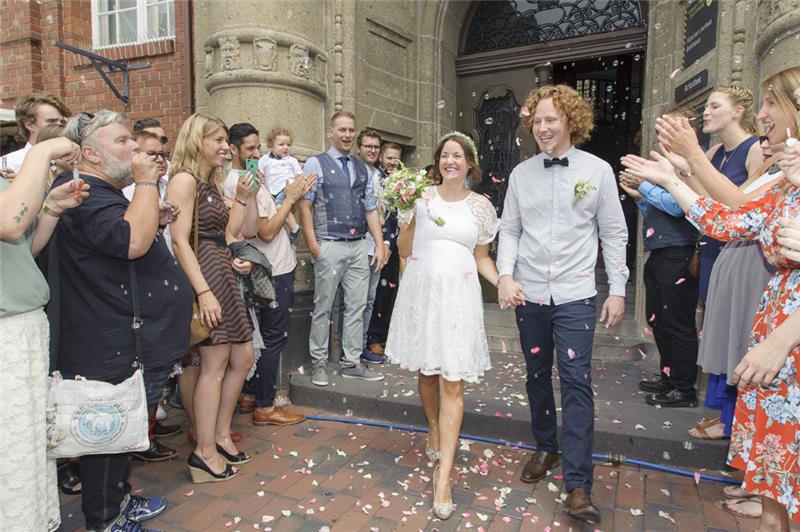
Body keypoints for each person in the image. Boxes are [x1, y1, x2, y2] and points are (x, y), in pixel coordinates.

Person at [621, 105, 800, 532]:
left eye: (771, 102)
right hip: (771, 341)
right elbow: (728, 220)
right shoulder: (785, 189)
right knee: (776, 493)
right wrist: (669, 181)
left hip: (786, 343)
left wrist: (780, 341)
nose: (762, 114)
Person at [51, 110, 190, 532]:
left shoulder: (105, 192)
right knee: (109, 434)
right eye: (124, 141)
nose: (137, 148)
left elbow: (124, 234)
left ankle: (119, 499)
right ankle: (106, 519)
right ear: (89, 154)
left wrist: (152, 213)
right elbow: (128, 242)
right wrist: (147, 184)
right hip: (113, 339)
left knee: (124, 428)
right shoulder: (82, 192)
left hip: (132, 336)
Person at [497, 85, 629, 525]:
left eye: (551, 119)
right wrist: (505, 275)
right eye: (537, 121)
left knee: (575, 382)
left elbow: (613, 232)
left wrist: (617, 288)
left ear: (571, 121)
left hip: (575, 294)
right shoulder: (521, 175)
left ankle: (578, 484)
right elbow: (510, 230)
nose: (543, 128)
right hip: (529, 293)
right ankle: (545, 447)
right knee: (536, 374)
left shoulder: (598, 171)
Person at [385, 131, 499, 520]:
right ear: (437, 163)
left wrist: (502, 282)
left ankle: (444, 476)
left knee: (453, 381)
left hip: (461, 298)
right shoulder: (419, 198)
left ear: (469, 163)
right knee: (428, 373)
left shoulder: (481, 207)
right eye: (445, 155)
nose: (451, 161)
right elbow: (402, 250)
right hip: (423, 293)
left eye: (458, 155)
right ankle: (432, 426)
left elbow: (481, 256)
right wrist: (412, 213)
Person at [167, 113, 260, 484]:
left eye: (226, 140)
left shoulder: (209, 182)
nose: (225, 146)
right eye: (218, 140)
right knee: (214, 363)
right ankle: (203, 452)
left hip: (220, 266)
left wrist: (243, 197)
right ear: (196, 141)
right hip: (203, 273)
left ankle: (220, 434)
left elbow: (234, 230)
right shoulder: (184, 180)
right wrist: (203, 291)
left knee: (242, 355)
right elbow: (178, 240)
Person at [0, 136, 84, 532]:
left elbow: (22, 247)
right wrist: (41, 152)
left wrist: (51, 208)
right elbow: (9, 222)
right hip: (5, 332)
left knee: (28, 447)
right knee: (10, 450)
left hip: (24, 327)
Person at [224, 123, 315, 425]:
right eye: (249, 148)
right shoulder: (242, 183)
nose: (256, 153)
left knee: (259, 337)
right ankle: (266, 406)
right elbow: (264, 231)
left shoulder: (245, 179)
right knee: (272, 338)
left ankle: (249, 395)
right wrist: (290, 197)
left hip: (266, 267)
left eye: (257, 148)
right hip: (272, 269)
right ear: (234, 149)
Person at [619, 105, 702, 408]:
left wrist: (643, 186)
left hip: (680, 251)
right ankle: (669, 377)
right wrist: (640, 197)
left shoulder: (691, 163)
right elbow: (657, 210)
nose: (662, 136)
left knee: (678, 322)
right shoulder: (665, 163)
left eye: (668, 128)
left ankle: (684, 388)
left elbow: (680, 206)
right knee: (659, 319)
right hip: (660, 251)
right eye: (660, 130)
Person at [298, 111, 388, 386]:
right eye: (343, 130)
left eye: (351, 130)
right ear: (331, 132)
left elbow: (371, 209)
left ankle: (351, 362)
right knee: (324, 306)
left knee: (356, 307)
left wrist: (380, 244)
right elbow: (305, 205)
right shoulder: (316, 162)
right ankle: (319, 363)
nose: (347, 135)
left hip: (359, 245)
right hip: (329, 244)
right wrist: (312, 243)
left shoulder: (362, 168)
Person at [365, 142, 403, 357]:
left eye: (396, 159)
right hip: (380, 241)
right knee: (378, 293)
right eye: (389, 158)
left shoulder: (400, 180)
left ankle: (384, 335)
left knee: (390, 291)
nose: (392, 163)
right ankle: (373, 338)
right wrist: (386, 241)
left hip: (398, 241)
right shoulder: (375, 179)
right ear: (381, 158)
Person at [2, 92, 71, 177]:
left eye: (62, 122)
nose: (59, 126)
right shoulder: (10, 163)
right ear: (29, 125)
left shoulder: (71, 161)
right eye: (51, 121)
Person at [257, 127, 303, 242]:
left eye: (288, 144)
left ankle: (294, 228)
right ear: (271, 145)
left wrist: (298, 183)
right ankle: (286, 233)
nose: (285, 147)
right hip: (270, 191)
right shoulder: (264, 159)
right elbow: (259, 173)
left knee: (280, 207)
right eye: (281, 144)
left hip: (286, 189)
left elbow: (299, 174)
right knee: (276, 212)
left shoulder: (291, 160)